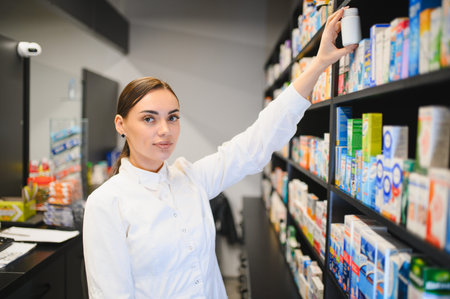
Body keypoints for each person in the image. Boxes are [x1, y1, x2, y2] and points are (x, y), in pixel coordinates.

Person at [83, 7, 357, 299]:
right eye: (149, 118)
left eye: (173, 117)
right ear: (121, 124)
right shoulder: (106, 203)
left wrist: (318, 64)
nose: (165, 130)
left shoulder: (190, 179)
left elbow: (254, 144)